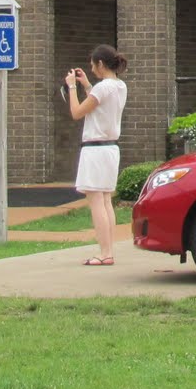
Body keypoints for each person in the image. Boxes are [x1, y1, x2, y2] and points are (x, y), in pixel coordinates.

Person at [66, 44, 128, 266]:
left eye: (93, 65)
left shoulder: (102, 89)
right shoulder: (119, 86)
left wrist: (73, 87)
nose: (91, 69)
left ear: (101, 64)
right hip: (111, 149)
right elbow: (100, 104)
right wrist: (87, 86)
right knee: (105, 200)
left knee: (96, 201)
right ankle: (108, 250)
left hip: (95, 149)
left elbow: (77, 112)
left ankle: (104, 253)